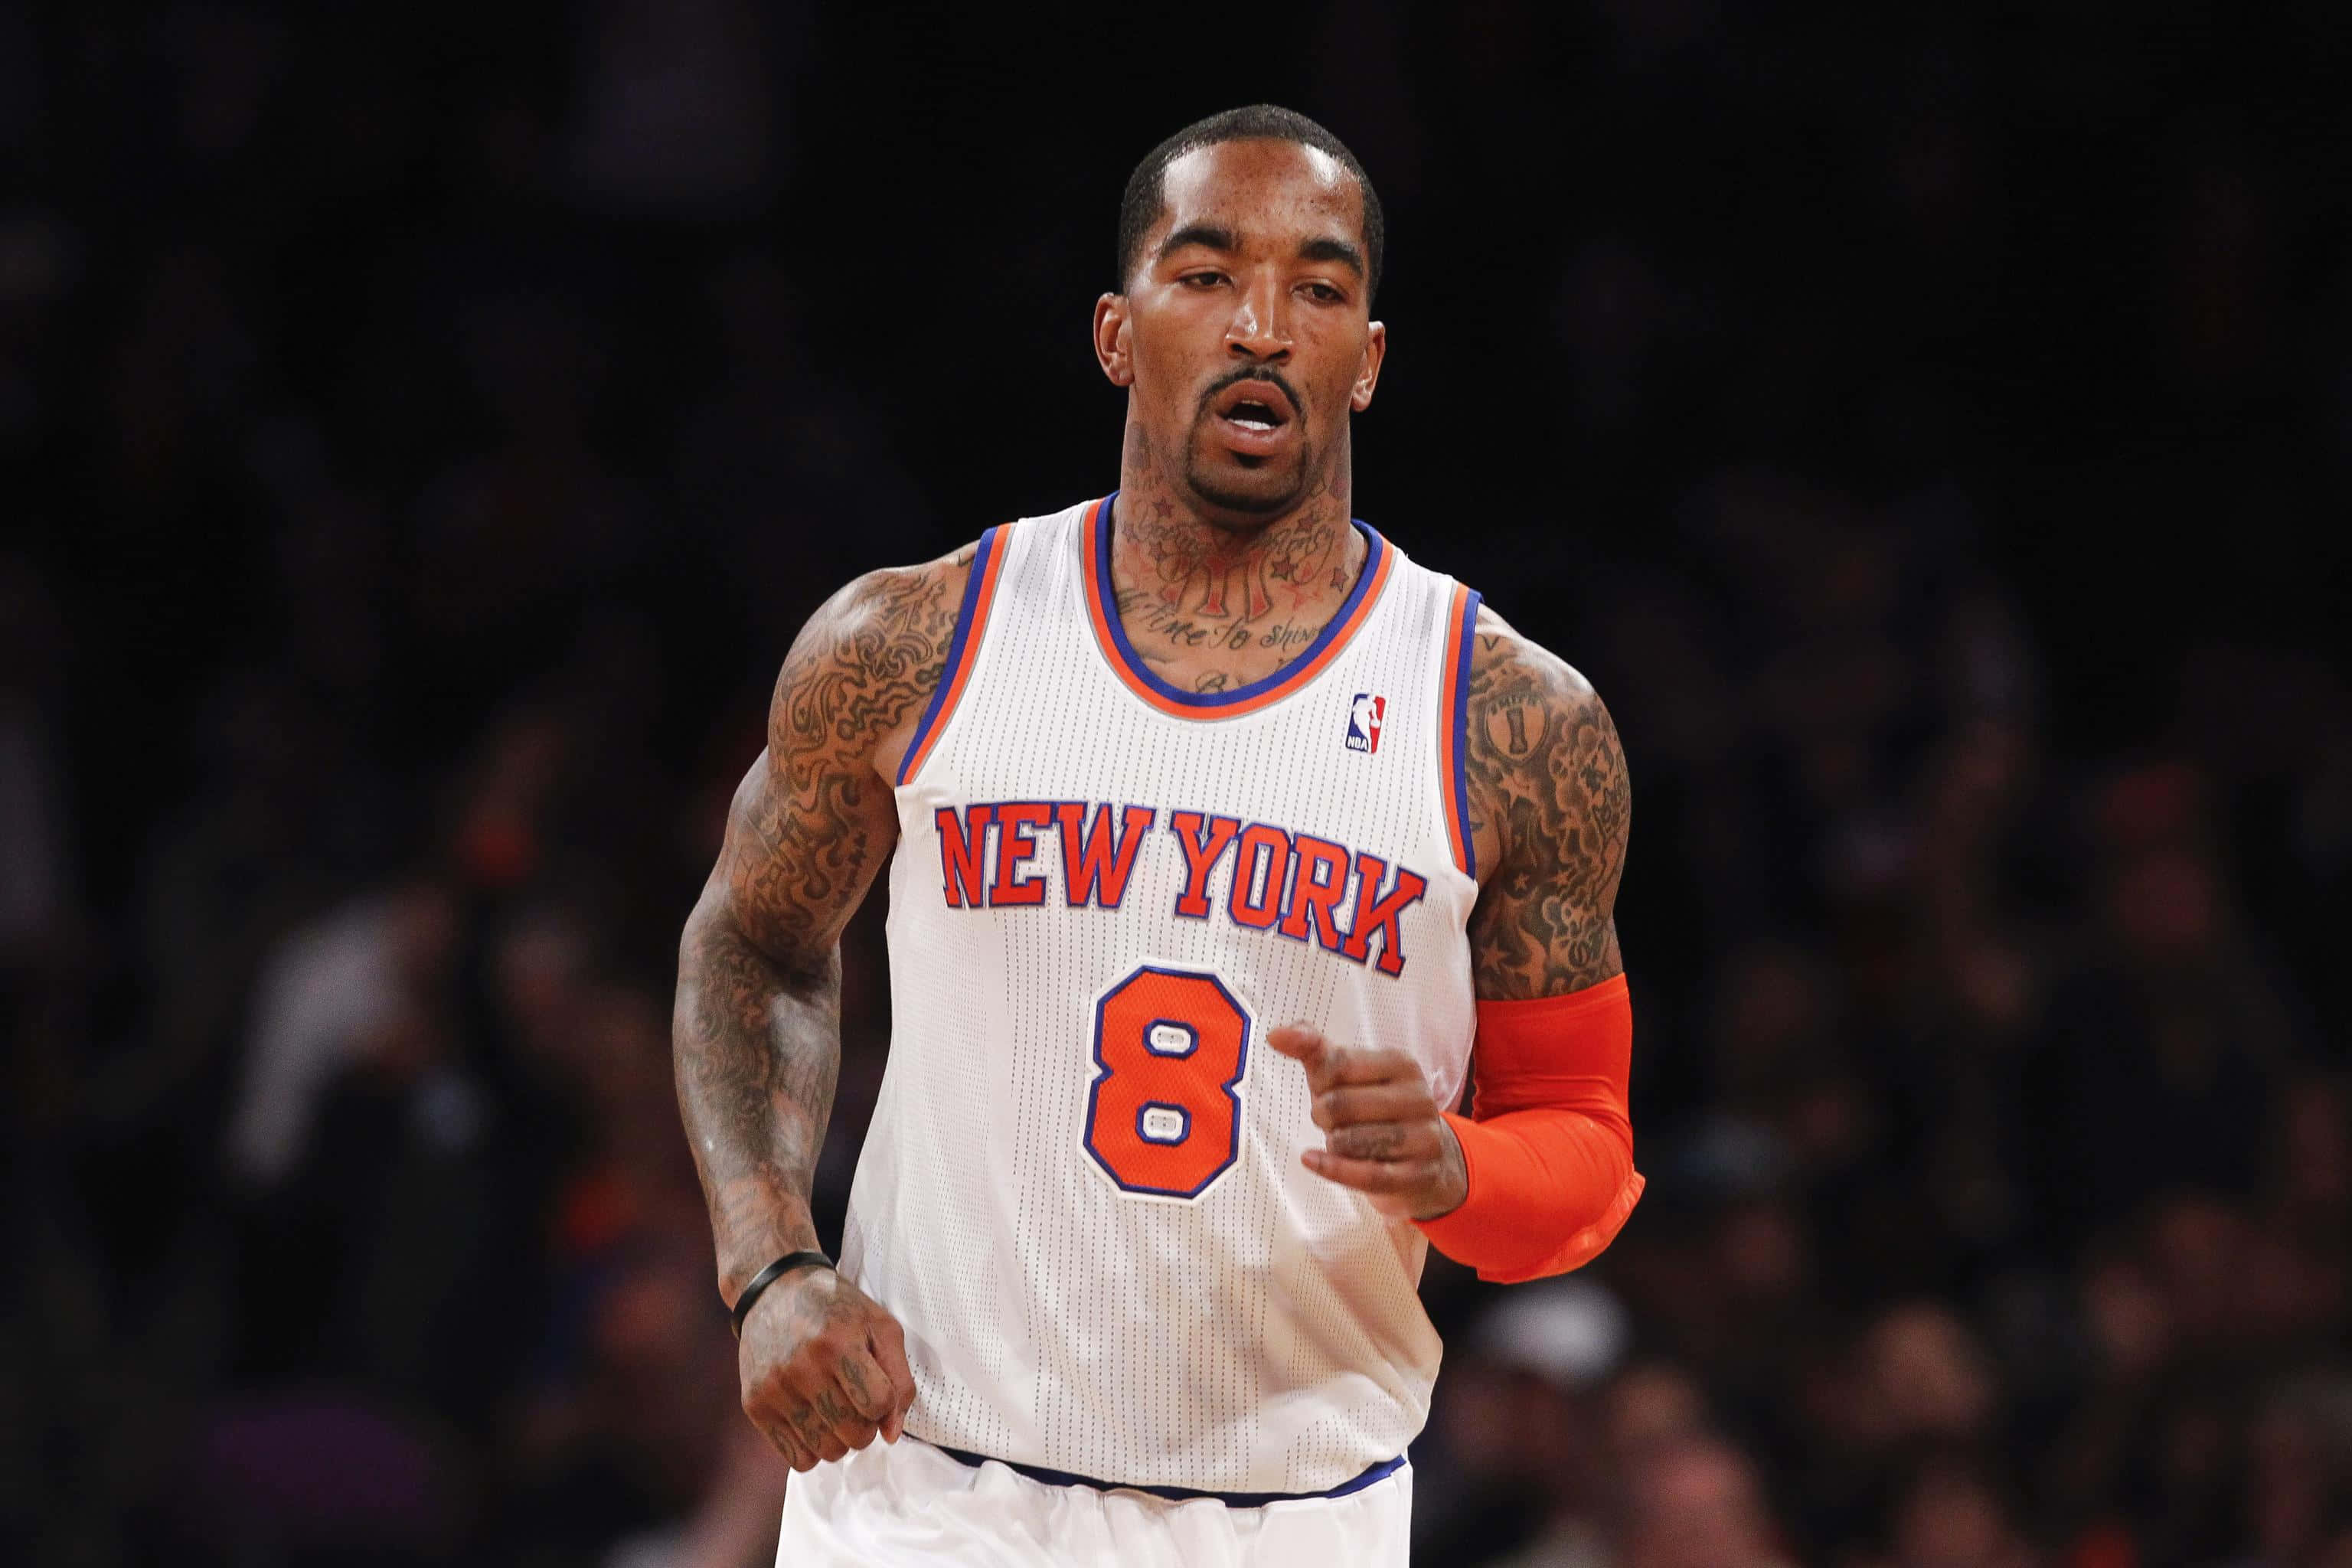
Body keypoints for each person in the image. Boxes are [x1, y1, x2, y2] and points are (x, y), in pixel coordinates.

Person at [672, 103, 1645, 1566]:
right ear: (1117, 334)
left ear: (1368, 361)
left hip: (1289, 1519)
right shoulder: (914, 642)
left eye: (1319, 289)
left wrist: (1461, 1172)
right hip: (924, 1496)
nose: (1263, 326)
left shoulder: (1510, 722)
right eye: (1207, 275)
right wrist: (770, 1266)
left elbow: (1585, 1154)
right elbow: (754, 945)